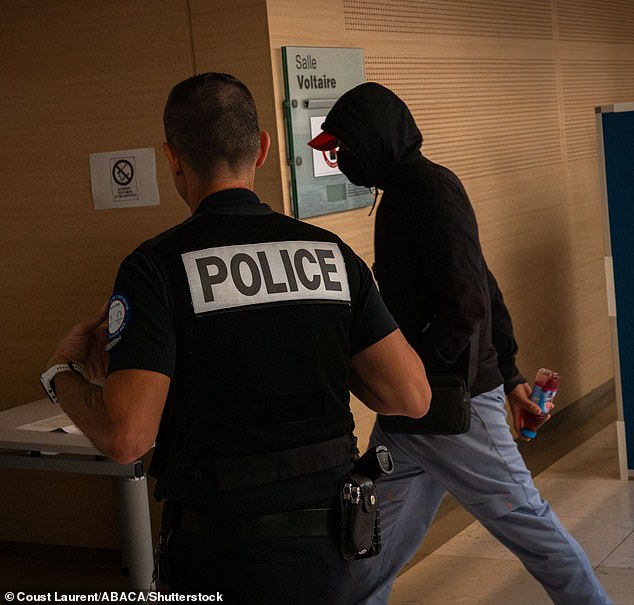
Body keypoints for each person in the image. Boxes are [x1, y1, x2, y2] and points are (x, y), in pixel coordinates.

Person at [40, 73, 431, 603]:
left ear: (172, 157)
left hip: (220, 558)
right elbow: (411, 395)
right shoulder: (332, 255)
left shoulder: (155, 268)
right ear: (262, 148)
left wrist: (60, 374)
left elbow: (126, 437)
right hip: (331, 553)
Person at [308, 82, 613, 605]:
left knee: (531, 530)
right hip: (413, 416)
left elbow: (471, 299)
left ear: (375, 139)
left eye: (343, 149)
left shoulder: (427, 190)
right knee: (368, 541)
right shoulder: (404, 193)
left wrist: (420, 377)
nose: (341, 163)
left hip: (457, 405)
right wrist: (508, 376)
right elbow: (483, 285)